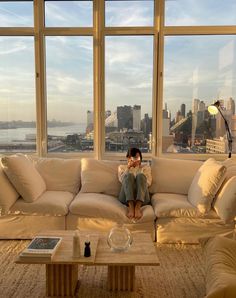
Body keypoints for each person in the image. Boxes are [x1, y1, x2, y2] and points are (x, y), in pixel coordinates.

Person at [118, 147, 152, 220]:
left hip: (143, 198)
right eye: (133, 157)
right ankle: (131, 206)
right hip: (125, 198)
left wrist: (139, 169)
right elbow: (121, 180)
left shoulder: (146, 168)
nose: (135, 159)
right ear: (128, 158)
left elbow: (148, 183)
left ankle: (137, 207)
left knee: (141, 176)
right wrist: (128, 168)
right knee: (129, 175)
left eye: (137, 157)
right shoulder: (122, 168)